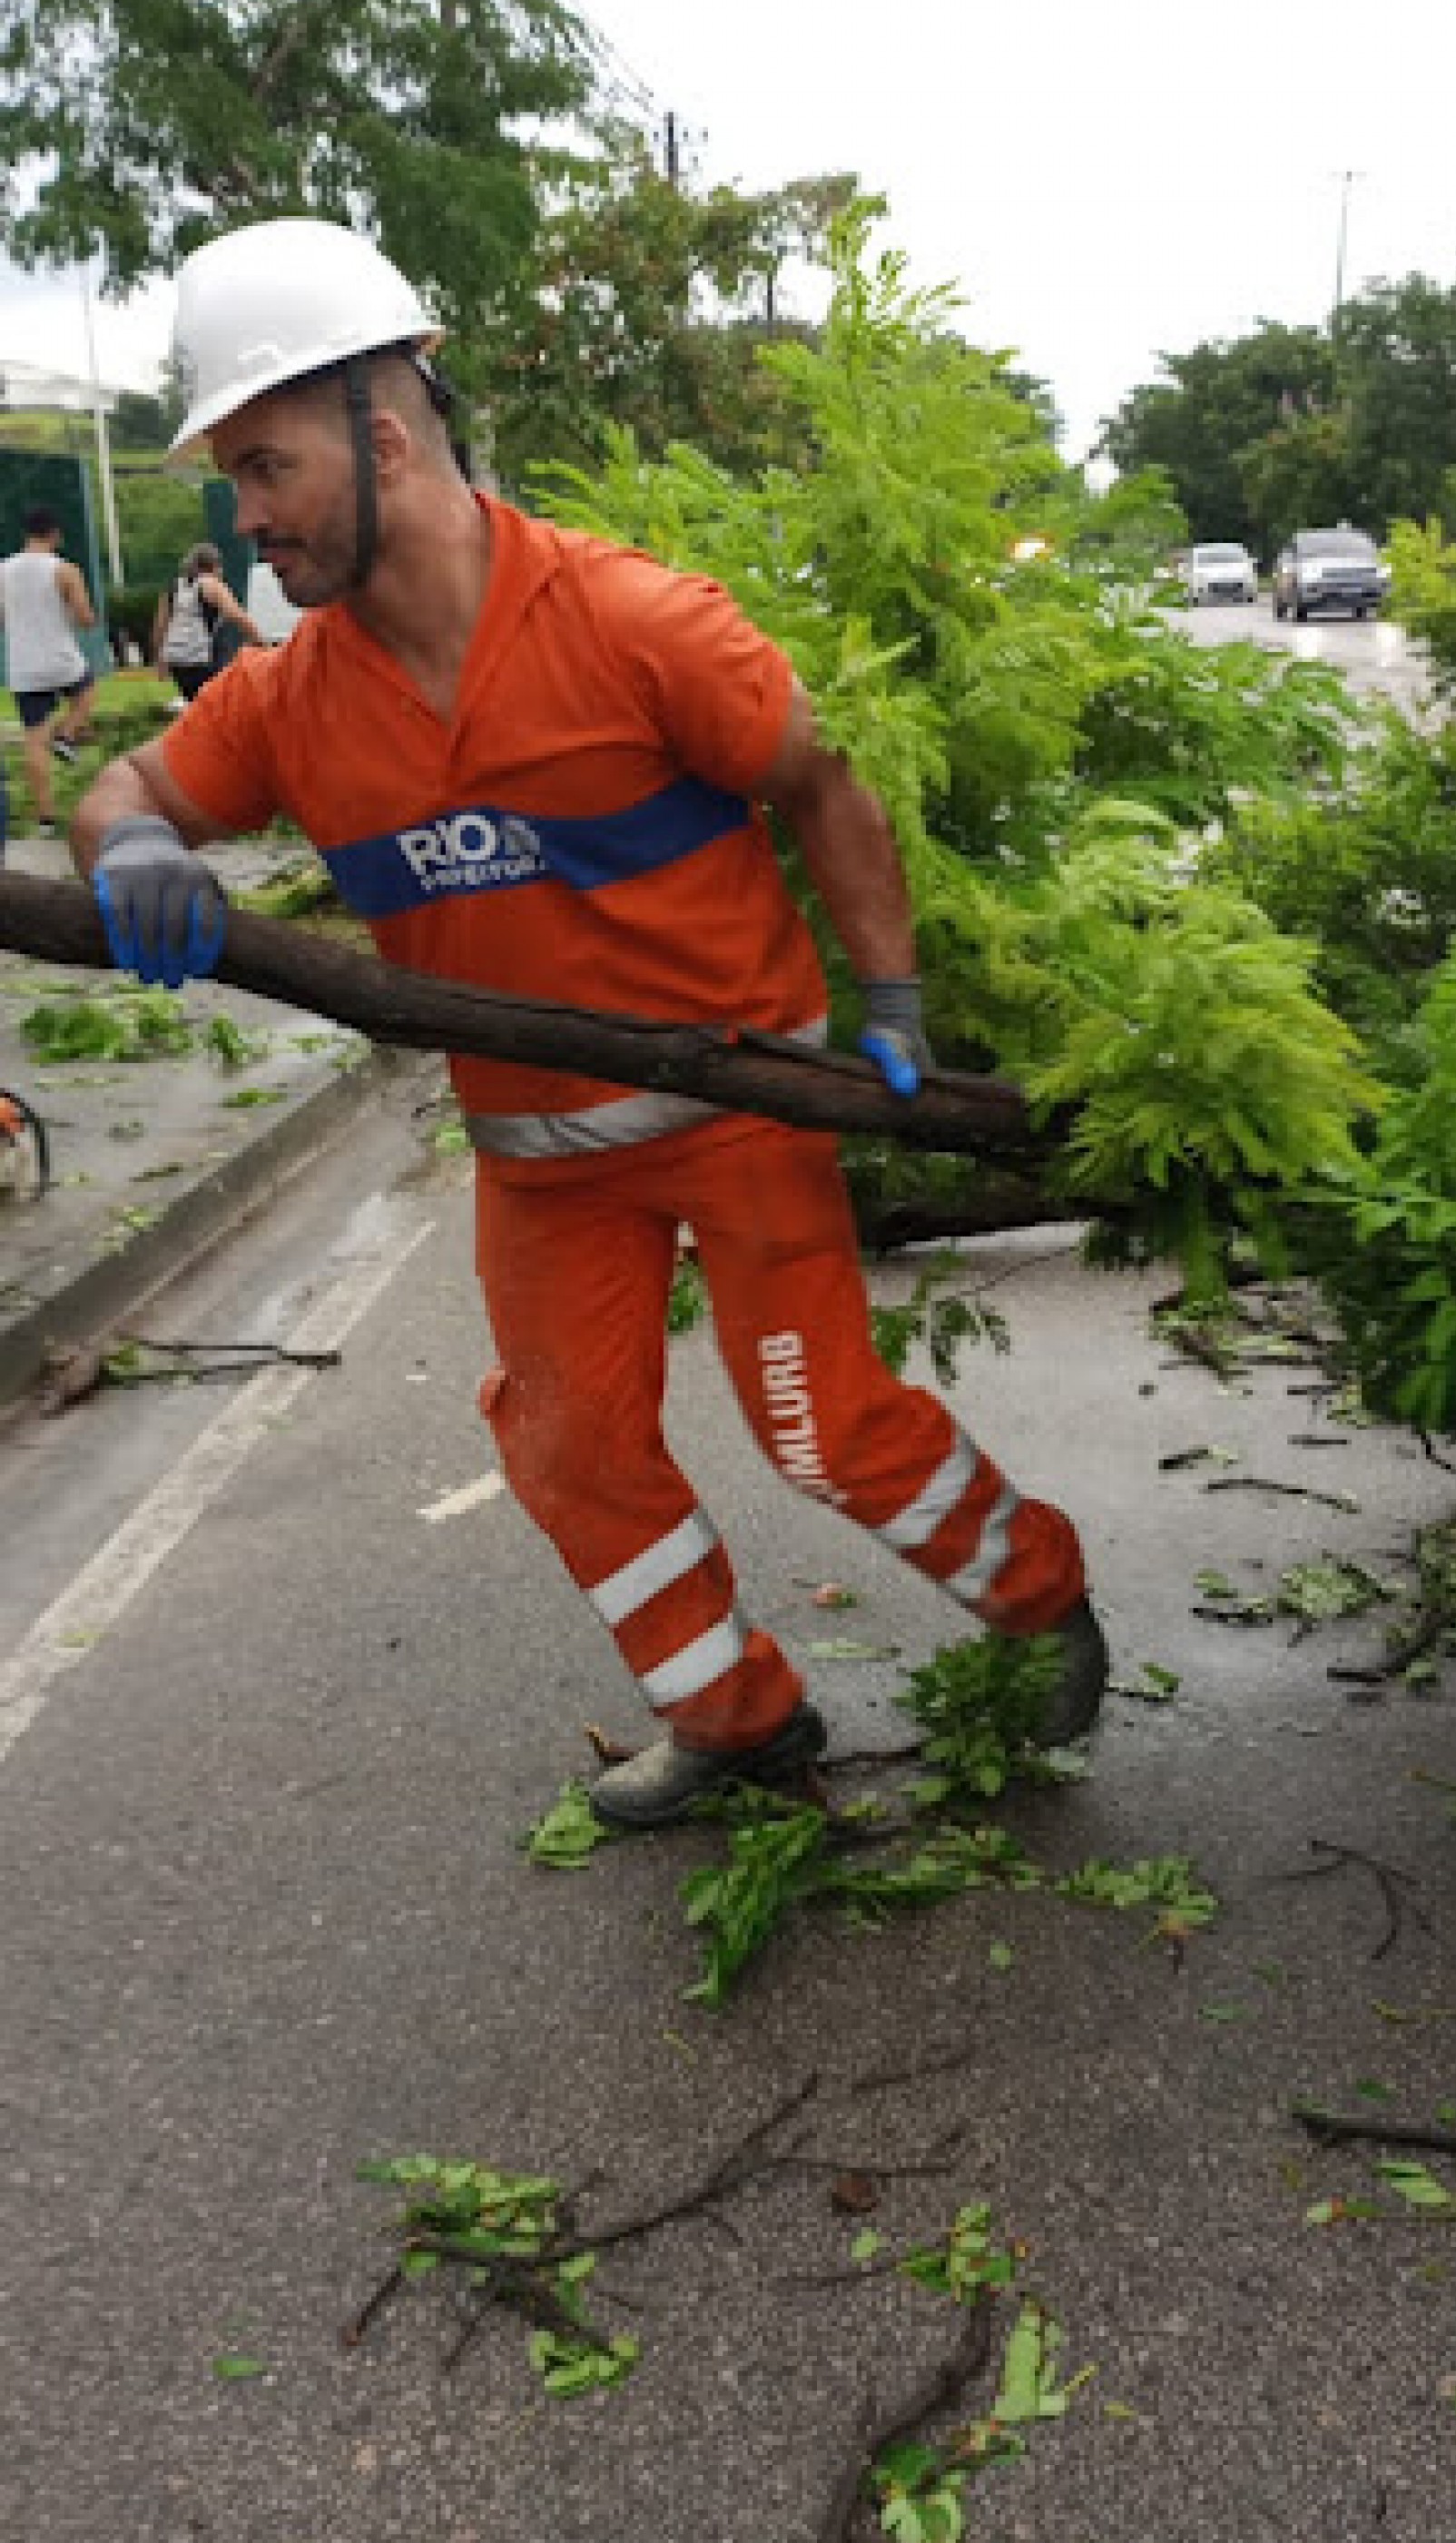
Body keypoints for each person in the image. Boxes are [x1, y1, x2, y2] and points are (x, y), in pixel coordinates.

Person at [73, 217, 1107, 1826]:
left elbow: (820, 786)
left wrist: (886, 997)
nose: (245, 515)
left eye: (266, 466)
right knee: (564, 1450)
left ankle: (1041, 1601)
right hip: (541, 1164)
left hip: (745, 1104)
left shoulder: (635, 623)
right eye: (235, 477)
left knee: (825, 1431)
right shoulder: (292, 696)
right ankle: (741, 1721)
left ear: (386, 436)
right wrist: (129, 841)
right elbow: (127, 783)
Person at [1, 505, 98, 830]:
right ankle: (67, 734)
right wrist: (80, 616)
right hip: (60, 660)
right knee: (87, 689)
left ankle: (45, 818)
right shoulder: (65, 569)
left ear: (26, 534)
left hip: (24, 666)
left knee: (33, 742)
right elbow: (85, 618)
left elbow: (1, 620)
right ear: (55, 534)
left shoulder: (3, 570)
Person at [152, 539, 265, 700]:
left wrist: (159, 658)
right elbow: (238, 615)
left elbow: (160, 625)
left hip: (178, 659)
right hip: (204, 658)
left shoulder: (174, 586)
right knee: (220, 702)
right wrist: (261, 642)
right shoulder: (210, 584)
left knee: (195, 704)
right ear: (213, 565)